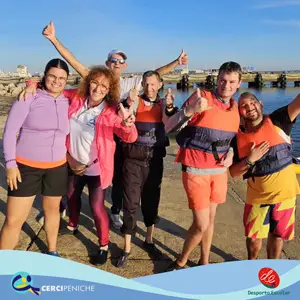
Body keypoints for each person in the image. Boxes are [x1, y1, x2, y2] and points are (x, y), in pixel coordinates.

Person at [40, 21, 188, 230]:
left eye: (121, 61)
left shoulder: (129, 83)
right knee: (70, 171)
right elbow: (73, 62)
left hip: (117, 134)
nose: (117, 63)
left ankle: (115, 210)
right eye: (113, 60)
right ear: (107, 62)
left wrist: (177, 62)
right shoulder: (95, 78)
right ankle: (62, 205)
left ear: (125, 66)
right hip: (91, 130)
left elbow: (155, 74)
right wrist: (54, 39)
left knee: (118, 176)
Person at [21, 66, 137, 265]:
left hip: (96, 168)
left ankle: (103, 245)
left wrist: (128, 125)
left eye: (104, 86)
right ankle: (72, 225)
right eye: (95, 82)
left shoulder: (110, 111)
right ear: (88, 82)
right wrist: (32, 85)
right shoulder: (75, 98)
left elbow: (130, 136)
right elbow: (53, 88)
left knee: (96, 206)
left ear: (110, 89)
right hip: (73, 165)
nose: (98, 88)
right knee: (72, 198)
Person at [164, 62, 242, 270]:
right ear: (216, 79)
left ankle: (204, 261)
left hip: (219, 172)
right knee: (201, 224)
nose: (226, 85)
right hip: (196, 169)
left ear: (239, 84)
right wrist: (190, 110)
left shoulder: (235, 108)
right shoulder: (201, 98)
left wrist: (232, 153)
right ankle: (180, 261)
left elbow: (232, 140)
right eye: (223, 80)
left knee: (211, 219)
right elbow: (169, 126)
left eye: (232, 82)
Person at [0, 59, 70, 256]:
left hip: (57, 167)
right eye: (52, 76)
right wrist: (11, 164)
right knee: (14, 220)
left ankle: (52, 251)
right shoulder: (29, 98)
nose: (57, 81)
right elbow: (10, 132)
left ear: (67, 80)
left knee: (52, 212)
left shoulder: (68, 101)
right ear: (44, 76)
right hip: (26, 167)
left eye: (62, 78)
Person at [116, 71, 178, 268]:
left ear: (160, 84)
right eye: (145, 84)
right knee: (130, 203)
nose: (149, 88)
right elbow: (122, 116)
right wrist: (128, 103)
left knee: (151, 201)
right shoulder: (134, 101)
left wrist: (169, 106)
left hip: (154, 161)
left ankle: (149, 240)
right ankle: (126, 247)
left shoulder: (163, 105)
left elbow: (172, 120)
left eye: (153, 84)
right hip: (133, 159)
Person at [229, 92, 300, 259]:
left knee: (277, 235)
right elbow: (233, 173)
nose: (249, 108)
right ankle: (251, 264)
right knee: (253, 240)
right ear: (239, 112)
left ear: (260, 103)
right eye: (243, 106)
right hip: (257, 198)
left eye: (252, 103)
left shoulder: (279, 119)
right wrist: (250, 159)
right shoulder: (237, 139)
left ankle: (272, 268)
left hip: (285, 196)